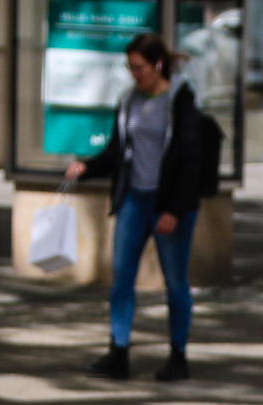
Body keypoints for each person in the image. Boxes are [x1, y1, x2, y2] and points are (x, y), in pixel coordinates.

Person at [65, 35, 210, 382]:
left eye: (140, 67)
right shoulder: (129, 99)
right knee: (121, 277)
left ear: (158, 64)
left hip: (169, 204)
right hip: (134, 198)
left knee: (175, 282)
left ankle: (178, 355)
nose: (135, 74)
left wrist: (174, 209)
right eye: (130, 67)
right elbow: (118, 151)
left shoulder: (181, 101)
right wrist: (87, 167)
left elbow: (191, 161)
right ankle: (118, 351)